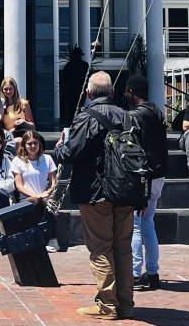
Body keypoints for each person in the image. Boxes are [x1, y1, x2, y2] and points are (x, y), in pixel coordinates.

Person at [52, 71, 135, 321]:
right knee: (122, 248)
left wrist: (58, 147)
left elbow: (70, 153)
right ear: (112, 93)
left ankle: (107, 306)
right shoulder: (128, 117)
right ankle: (126, 303)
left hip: (95, 191)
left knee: (100, 248)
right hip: (126, 191)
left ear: (88, 93)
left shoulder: (87, 117)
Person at [124, 75, 169, 291]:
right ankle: (152, 273)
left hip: (143, 175)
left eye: (127, 92)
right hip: (159, 173)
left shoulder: (134, 116)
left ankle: (133, 273)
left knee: (135, 225)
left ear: (132, 92)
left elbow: (132, 149)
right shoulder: (157, 112)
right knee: (148, 222)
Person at [11, 130, 60, 253]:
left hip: (45, 197)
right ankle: (44, 237)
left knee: (47, 204)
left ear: (39, 144)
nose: (33, 146)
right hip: (26, 199)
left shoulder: (47, 159)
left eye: (35, 143)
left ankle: (52, 240)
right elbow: (19, 186)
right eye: (29, 144)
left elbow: (53, 182)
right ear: (24, 145)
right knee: (38, 202)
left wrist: (47, 193)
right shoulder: (18, 161)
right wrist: (37, 196)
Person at [59, 46, 89, 125]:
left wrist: (63, 90)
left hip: (71, 91)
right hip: (79, 91)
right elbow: (88, 79)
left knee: (71, 109)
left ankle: (73, 122)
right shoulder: (85, 65)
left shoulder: (69, 65)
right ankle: (77, 122)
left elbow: (63, 80)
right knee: (78, 107)